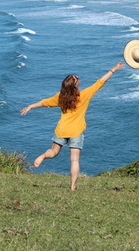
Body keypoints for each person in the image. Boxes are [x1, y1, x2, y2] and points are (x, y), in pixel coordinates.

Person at [20, 61, 125, 190]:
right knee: (74, 160)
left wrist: (30, 106)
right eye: (77, 79)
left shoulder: (60, 97)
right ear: (75, 86)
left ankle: (43, 155)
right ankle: (72, 187)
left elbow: (44, 102)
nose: (78, 79)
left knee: (53, 151)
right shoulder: (83, 96)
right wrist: (114, 69)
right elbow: (100, 83)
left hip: (62, 130)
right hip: (76, 132)